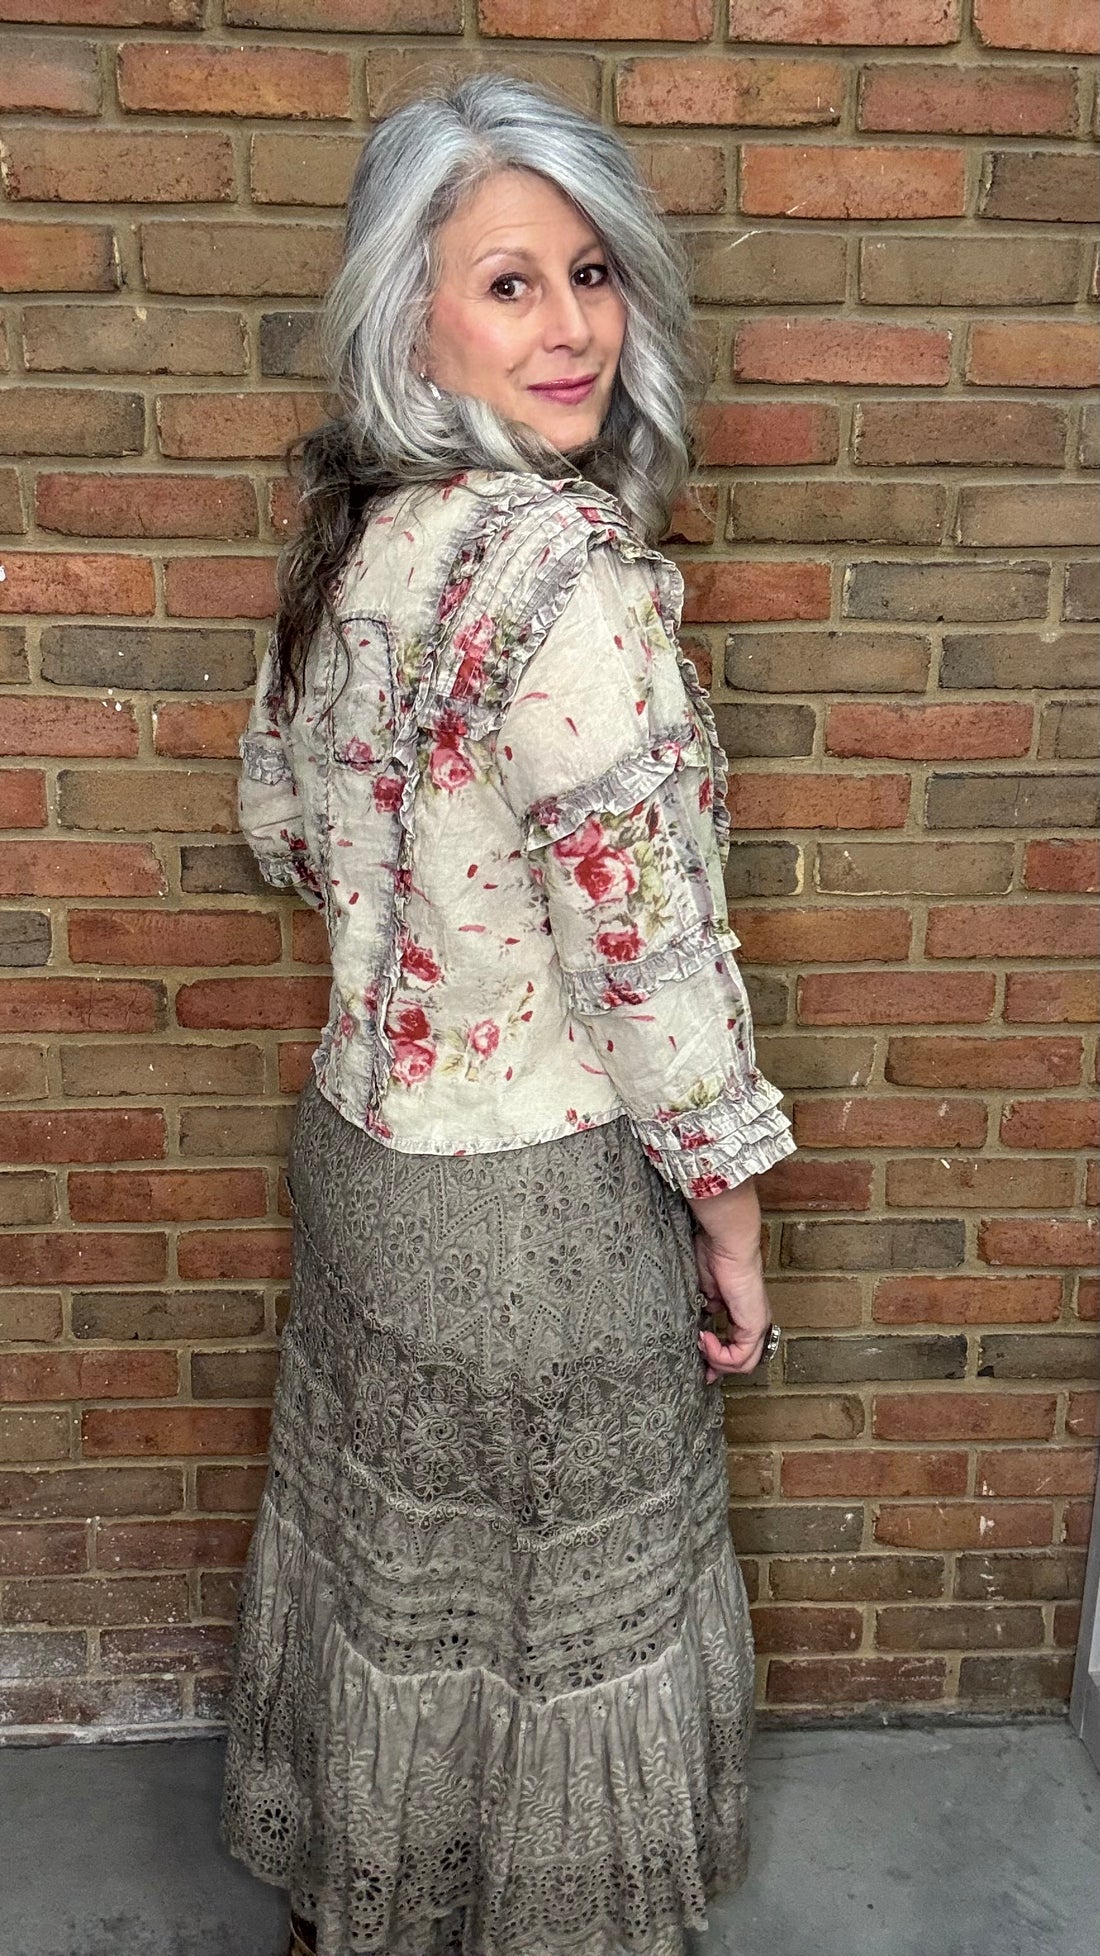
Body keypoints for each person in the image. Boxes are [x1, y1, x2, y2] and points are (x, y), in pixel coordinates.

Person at [219, 71, 797, 1956]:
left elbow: (282, 828)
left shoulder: (338, 551)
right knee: (559, 1627)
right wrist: (729, 1216)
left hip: (364, 1167)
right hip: (542, 1207)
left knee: (402, 1587)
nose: (571, 328)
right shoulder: (577, 588)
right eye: (507, 284)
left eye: (591, 273)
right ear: (412, 315)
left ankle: (371, 1909)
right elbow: (653, 972)